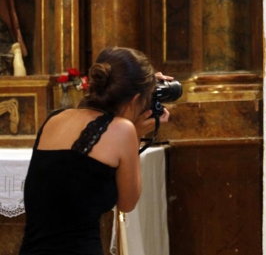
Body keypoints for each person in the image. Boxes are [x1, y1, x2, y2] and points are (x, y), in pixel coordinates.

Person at [19, 46, 172, 254]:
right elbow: (127, 203)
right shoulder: (123, 131)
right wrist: (135, 134)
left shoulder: (54, 119)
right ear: (136, 98)